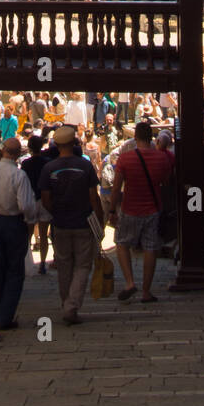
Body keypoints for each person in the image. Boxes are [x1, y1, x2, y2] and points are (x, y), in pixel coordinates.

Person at [39, 125, 102, 325]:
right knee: (83, 265)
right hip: (83, 222)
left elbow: (45, 198)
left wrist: (55, 212)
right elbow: (94, 197)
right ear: (74, 142)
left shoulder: (49, 168)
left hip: (61, 223)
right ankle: (72, 305)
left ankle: (66, 302)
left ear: (56, 145)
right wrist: (99, 220)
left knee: (64, 265)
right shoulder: (84, 166)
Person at [108, 120, 172, 303]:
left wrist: (112, 209)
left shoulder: (125, 159)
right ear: (151, 137)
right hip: (152, 207)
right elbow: (166, 181)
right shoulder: (161, 158)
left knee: (122, 243)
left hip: (130, 207)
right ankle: (146, 291)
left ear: (135, 137)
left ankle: (129, 282)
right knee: (150, 248)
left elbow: (116, 187)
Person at [0, 135, 37, 329]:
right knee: (15, 271)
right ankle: (5, 316)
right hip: (13, 223)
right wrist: (30, 221)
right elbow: (26, 206)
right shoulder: (18, 175)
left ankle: (2, 309)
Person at [20, 134, 51, 273]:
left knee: (28, 234)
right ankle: (43, 263)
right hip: (45, 199)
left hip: (31, 199)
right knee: (44, 234)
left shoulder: (26, 164)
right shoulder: (47, 162)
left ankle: (27, 262)